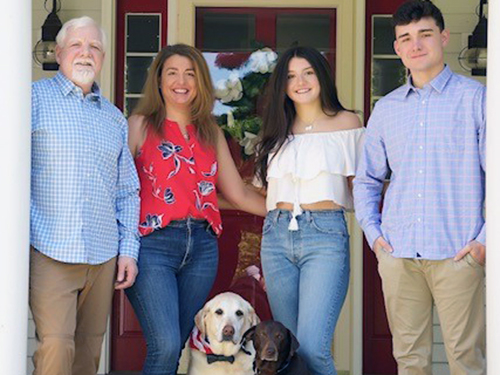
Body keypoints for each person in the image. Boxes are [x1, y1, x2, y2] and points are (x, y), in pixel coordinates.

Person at [353, 1, 486, 374]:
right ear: (396, 47)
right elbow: (366, 180)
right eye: (405, 38)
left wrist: (484, 242)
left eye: (425, 35)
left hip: (458, 254)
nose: (416, 45)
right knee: (409, 360)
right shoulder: (387, 109)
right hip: (399, 255)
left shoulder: (476, 99)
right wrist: (376, 237)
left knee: (465, 360)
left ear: (443, 37)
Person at [125, 44, 266, 375]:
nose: (181, 81)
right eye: (172, 73)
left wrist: (289, 207)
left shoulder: (210, 132)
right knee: (165, 344)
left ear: (201, 82)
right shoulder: (139, 126)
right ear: (158, 80)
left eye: (190, 74)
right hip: (152, 246)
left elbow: (239, 195)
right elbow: (119, 188)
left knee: (181, 344)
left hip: (202, 248)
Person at [30, 16, 140, 375]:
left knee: (89, 354)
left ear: (103, 59)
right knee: (56, 347)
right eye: (77, 45)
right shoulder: (32, 100)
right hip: (50, 247)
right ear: (59, 53)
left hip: (103, 253)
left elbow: (127, 190)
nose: (85, 53)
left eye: (94, 47)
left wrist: (128, 250)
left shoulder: (114, 119)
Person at [254, 46, 364, 375]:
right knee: (286, 352)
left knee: (314, 349)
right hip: (275, 237)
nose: (300, 82)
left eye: (308, 73)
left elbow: (364, 187)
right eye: (290, 76)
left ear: (321, 77)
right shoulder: (273, 131)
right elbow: (262, 193)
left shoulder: (348, 123)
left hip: (325, 237)